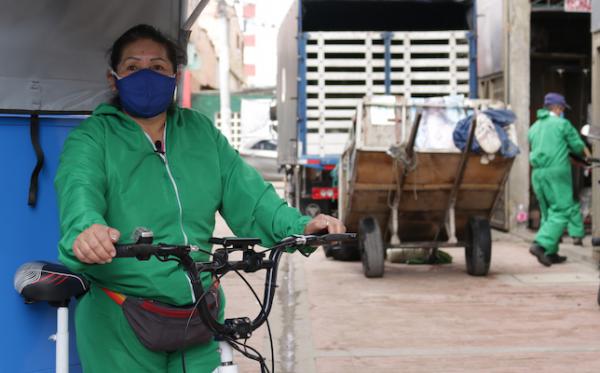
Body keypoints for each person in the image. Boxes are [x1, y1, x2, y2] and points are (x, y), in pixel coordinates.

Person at [54, 24, 345, 373]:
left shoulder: (201, 133)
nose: (146, 75)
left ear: (175, 75)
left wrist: (302, 226)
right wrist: (88, 230)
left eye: (158, 67)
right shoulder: (92, 138)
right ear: (113, 79)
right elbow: (78, 191)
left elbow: (251, 199)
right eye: (133, 67)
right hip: (119, 318)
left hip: (201, 314)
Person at [528, 92, 590, 266]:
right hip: (556, 173)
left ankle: (551, 252)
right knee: (562, 210)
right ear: (556, 108)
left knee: (548, 212)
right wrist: (586, 155)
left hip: (538, 174)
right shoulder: (562, 124)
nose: (563, 111)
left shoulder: (534, 127)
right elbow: (577, 145)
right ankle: (541, 244)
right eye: (562, 108)